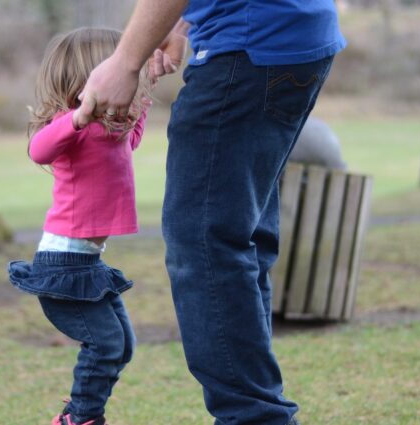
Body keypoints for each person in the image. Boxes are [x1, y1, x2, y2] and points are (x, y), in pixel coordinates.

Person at [77, 1, 346, 424]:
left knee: (203, 242)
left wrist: (125, 62)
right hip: (290, 36)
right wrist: (182, 23)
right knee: (240, 237)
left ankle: (255, 418)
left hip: (248, 44)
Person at [6, 27, 153, 425]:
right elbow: (39, 149)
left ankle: (77, 414)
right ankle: (82, 418)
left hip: (86, 263)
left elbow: (131, 140)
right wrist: (78, 116)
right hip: (62, 264)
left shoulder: (108, 131)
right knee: (105, 344)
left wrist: (145, 91)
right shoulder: (69, 128)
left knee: (122, 347)